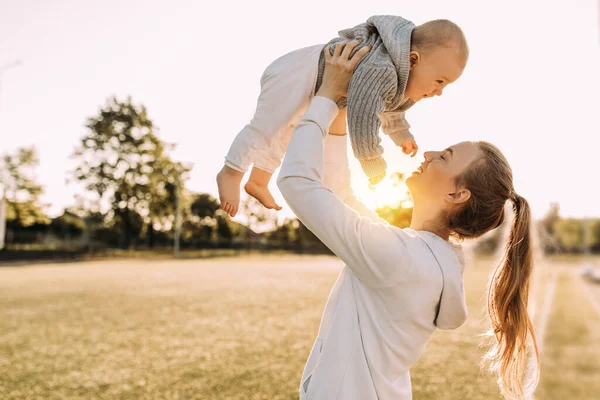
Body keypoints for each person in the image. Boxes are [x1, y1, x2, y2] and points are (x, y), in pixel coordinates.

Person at [277, 40, 539, 400]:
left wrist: (323, 99)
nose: (430, 153)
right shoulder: (424, 257)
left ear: (457, 195)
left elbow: (296, 182)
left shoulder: (401, 258)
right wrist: (341, 108)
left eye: (445, 156)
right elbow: (341, 194)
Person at [217, 16, 468, 217]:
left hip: (317, 86)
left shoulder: (399, 80)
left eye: (445, 86)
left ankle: (258, 181)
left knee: (286, 132)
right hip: (298, 72)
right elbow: (364, 117)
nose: (439, 92)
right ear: (413, 60)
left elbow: (390, 108)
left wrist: (401, 135)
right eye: (439, 81)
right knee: (268, 128)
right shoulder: (381, 69)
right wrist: (373, 162)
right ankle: (231, 172)